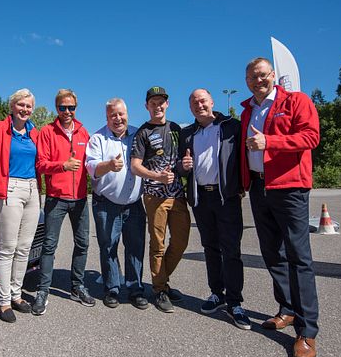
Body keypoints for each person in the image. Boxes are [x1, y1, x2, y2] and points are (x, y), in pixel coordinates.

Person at [241, 57, 321, 357]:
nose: (258, 81)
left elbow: (311, 137)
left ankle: (307, 331)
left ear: (273, 75)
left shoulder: (296, 101)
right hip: (259, 188)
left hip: (289, 187)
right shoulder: (249, 109)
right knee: (273, 254)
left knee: (299, 257)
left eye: (262, 75)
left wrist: (270, 142)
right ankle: (287, 309)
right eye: (252, 77)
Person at [177, 89, 248, 329]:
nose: (199, 105)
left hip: (225, 197)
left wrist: (243, 184)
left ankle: (235, 302)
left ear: (212, 102)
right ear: (190, 108)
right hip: (201, 199)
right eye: (194, 103)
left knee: (231, 250)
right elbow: (180, 168)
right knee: (210, 248)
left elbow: (244, 156)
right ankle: (216, 293)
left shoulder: (231, 126)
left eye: (202, 100)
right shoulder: (187, 133)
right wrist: (182, 166)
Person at [0, 88, 41, 323]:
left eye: (29, 106)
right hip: (9, 190)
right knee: (8, 247)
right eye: (21, 105)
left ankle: (16, 294)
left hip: (32, 190)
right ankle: (3, 302)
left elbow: (42, 163)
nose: (25, 109)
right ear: (12, 106)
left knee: (24, 247)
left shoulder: (35, 132)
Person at [32, 89, 94, 315]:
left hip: (79, 199)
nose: (67, 112)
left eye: (71, 108)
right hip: (56, 199)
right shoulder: (47, 131)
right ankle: (43, 291)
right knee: (49, 246)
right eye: (62, 107)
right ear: (56, 108)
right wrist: (62, 166)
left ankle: (77, 287)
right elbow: (40, 164)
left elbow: (92, 164)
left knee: (83, 243)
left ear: (76, 108)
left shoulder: (83, 132)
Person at [131, 86, 191, 313]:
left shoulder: (176, 129)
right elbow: (135, 166)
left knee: (181, 242)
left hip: (177, 196)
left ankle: (162, 279)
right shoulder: (143, 132)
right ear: (147, 106)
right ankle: (160, 290)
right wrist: (157, 176)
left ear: (167, 104)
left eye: (161, 102)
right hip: (154, 196)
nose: (157, 106)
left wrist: (185, 167)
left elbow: (183, 161)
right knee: (158, 244)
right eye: (153, 103)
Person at [85, 98, 148, 310]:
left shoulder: (138, 134)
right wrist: (109, 165)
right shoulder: (98, 138)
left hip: (134, 203)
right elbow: (91, 166)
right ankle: (112, 288)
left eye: (121, 114)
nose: (118, 118)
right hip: (107, 204)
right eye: (113, 115)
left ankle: (135, 289)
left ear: (127, 114)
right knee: (108, 246)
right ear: (107, 117)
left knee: (135, 247)